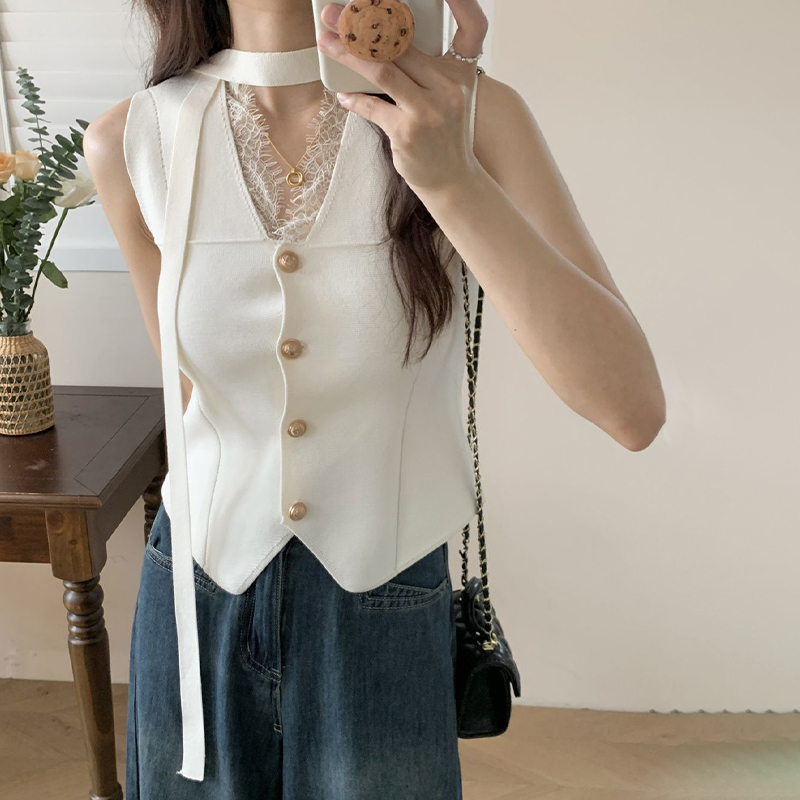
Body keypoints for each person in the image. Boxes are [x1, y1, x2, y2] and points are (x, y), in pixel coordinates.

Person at [84, 0, 666, 797]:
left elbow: (631, 409)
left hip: (382, 603)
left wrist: (452, 179)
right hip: (193, 598)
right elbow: (190, 400)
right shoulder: (130, 138)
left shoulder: (464, 113)